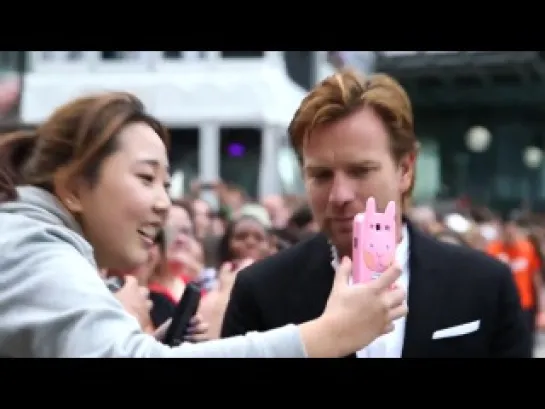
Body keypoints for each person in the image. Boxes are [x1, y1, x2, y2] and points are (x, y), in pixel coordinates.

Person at [0, 91, 407, 358]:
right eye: (145, 178)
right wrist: (326, 336)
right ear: (72, 186)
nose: (163, 203)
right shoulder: (30, 248)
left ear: (405, 170)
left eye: (165, 182)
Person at [221, 69, 530, 358]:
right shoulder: (261, 291)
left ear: (405, 170)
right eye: (321, 175)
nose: (340, 195)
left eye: (360, 171)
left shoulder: (484, 284)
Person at [486, 214, 543, 351]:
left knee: (527, 342)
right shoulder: (493, 250)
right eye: (506, 230)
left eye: (512, 229)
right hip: (502, 304)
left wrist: (541, 306)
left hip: (525, 304)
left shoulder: (527, 248)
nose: (509, 233)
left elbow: (536, 278)